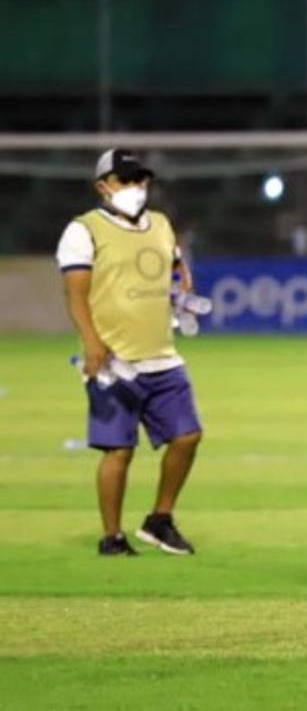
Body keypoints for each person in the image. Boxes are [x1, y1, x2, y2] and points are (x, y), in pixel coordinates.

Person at [55, 149, 204, 556]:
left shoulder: (161, 224)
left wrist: (182, 293)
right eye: (126, 180)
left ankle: (160, 520)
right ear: (103, 186)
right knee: (118, 450)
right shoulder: (83, 230)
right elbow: (75, 294)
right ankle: (112, 537)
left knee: (188, 436)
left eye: (141, 179)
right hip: (114, 361)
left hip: (163, 355)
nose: (137, 187)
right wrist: (91, 343)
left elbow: (177, 270)